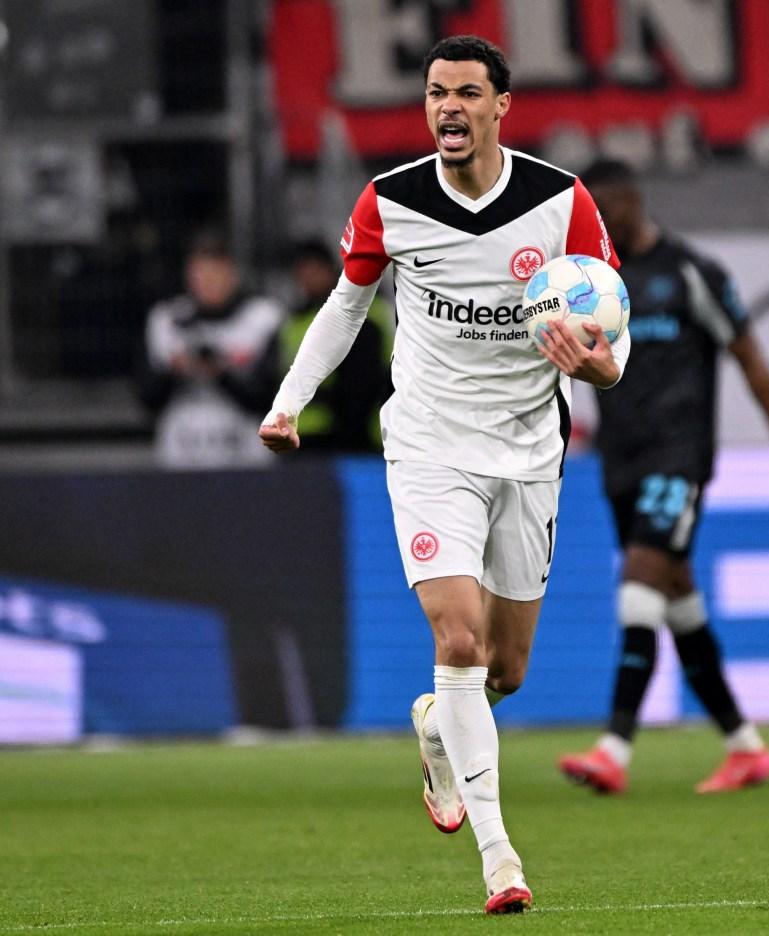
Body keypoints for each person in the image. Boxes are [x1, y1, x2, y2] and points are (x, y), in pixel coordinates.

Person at [259, 35, 629, 913]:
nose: (449, 107)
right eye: (436, 94)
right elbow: (345, 308)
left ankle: (437, 727)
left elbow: (611, 342)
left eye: (467, 92)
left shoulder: (561, 203)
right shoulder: (391, 202)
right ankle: (501, 857)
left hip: (532, 450)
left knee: (505, 670)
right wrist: (286, 401)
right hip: (428, 445)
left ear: (502, 106)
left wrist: (596, 369)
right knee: (455, 638)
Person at [557, 160, 769, 796]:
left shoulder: (691, 272)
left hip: (680, 455)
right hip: (620, 457)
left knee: (641, 583)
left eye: (605, 205)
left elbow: (750, 356)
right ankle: (745, 746)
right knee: (677, 602)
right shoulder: (592, 281)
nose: (599, 219)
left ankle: (614, 747)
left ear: (633, 198)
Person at [141, 229, 284, 468]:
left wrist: (220, 372)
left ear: (232, 274)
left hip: (245, 456)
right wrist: (177, 371)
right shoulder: (166, 321)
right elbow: (148, 397)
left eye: (215, 273)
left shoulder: (263, 319)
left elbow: (268, 397)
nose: (207, 282)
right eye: (199, 274)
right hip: (181, 457)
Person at [279, 240, 392, 453]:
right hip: (306, 436)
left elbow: (364, 382)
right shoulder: (295, 320)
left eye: (314, 270)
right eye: (302, 271)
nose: (308, 278)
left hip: (360, 437)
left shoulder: (365, 311)